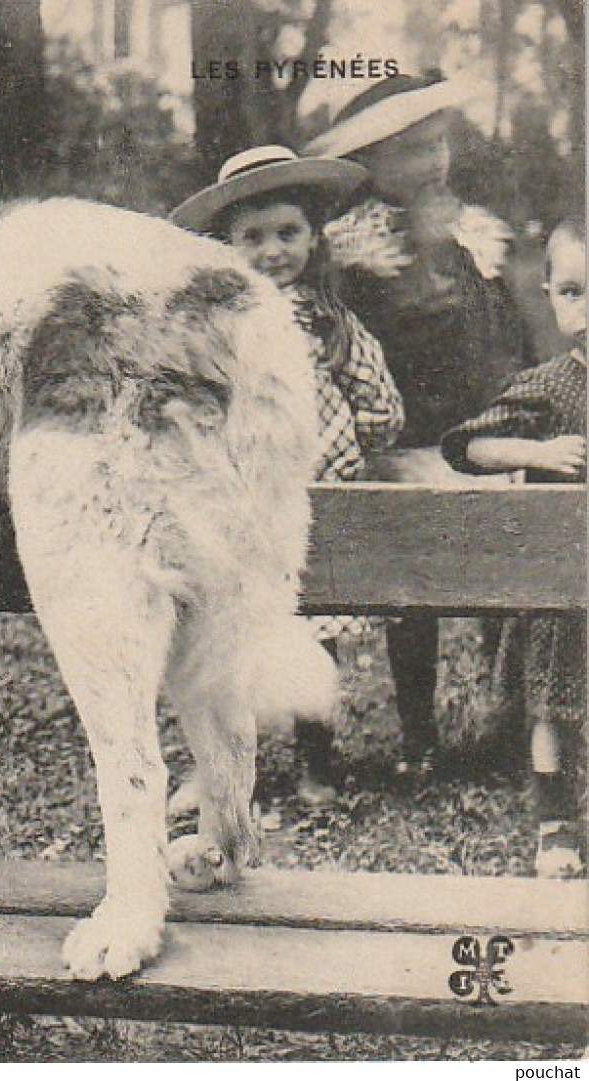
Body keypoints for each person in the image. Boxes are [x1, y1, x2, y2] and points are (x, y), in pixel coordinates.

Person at [305, 73, 535, 776]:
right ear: (367, 163)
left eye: (435, 144)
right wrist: (424, 258)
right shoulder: (349, 250)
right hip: (399, 443)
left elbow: (505, 329)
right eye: (408, 150)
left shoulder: (467, 229)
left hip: (477, 432)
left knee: (511, 579)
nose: (431, 162)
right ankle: (415, 732)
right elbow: (372, 343)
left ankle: (513, 720)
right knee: (410, 596)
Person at [172, 145, 404, 807]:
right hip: (235, 502)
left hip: (311, 502)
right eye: (252, 238)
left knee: (313, 630)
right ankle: (213, 765)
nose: (272, 251)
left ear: (310, 237)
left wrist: (353, 443)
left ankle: (316, 762)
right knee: (216, 629)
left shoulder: (332, 324)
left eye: (286, 233)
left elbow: (379, 403)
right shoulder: (211, 328)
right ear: (225, 247)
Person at [442, 219, 586, 876]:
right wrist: (536, 451)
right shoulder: (551, 384)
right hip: (561, 587)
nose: (585, 310)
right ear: (551, 296)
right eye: (573, 292)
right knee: (552, 706)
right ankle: (553, 824)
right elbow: (466, 445)